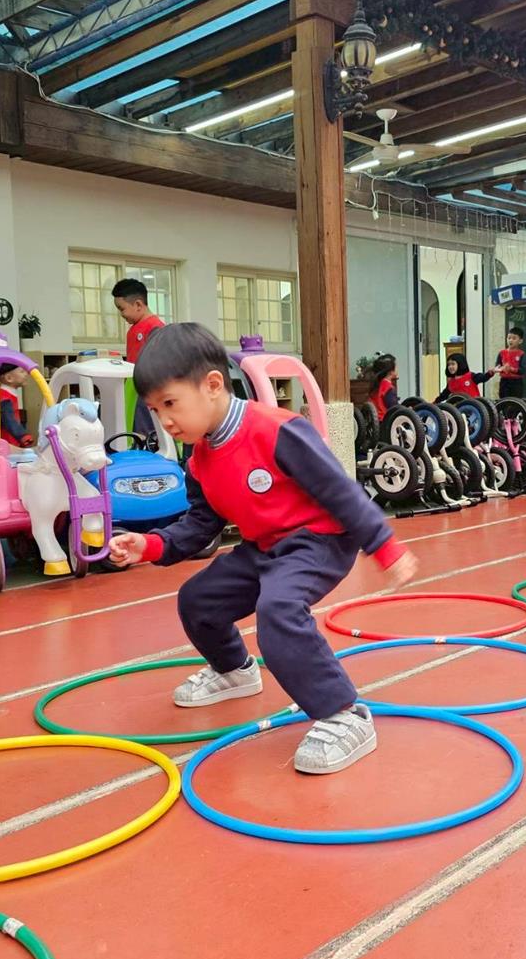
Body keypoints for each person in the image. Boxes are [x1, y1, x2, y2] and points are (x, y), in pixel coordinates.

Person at [108, 323, 418, 775]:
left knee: (279, 609)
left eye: (171, 403)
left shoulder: (277, 430)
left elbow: (340, 490)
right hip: (264, 548)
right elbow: (201, 524)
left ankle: (344, 714)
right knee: (198, 599)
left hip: (318, 541)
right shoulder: (199, 458)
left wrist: (384, 546)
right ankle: (234, 669)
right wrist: (151, 544)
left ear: (213, 385)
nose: (165, 421)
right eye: (156, 410)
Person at [113, 278, 165, 438]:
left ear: (138, 305)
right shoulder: (134, 329)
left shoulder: (155, 327)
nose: (121, 314)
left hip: (147, 388)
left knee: (145, 431)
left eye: (122, 309)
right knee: (131, 427)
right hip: (132, 386)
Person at [0, 364, 34, 448]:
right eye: (22, 372)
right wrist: (23, 436)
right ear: (9, 378)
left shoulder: (7, 394)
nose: (26, 374)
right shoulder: (4, 398)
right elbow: (9, 420)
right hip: (0, 442)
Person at [494, 328, 525, 399]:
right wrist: (502, 368)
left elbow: (523, 370)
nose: (510, 340)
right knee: (504, 400)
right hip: (504, 381)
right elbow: (497, 367)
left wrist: (511, 369)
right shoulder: (502, 353)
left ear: (520, 341)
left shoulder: (521, 354)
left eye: (514, 338)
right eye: (509, 338)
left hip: (516, 382)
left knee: (515, 401)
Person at [368, 354, 398, 420]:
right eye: (396, 367)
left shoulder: (376, 385)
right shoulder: (388, 388)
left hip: (376, 421)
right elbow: (394, 409)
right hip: (386, 421)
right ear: (391, 372)